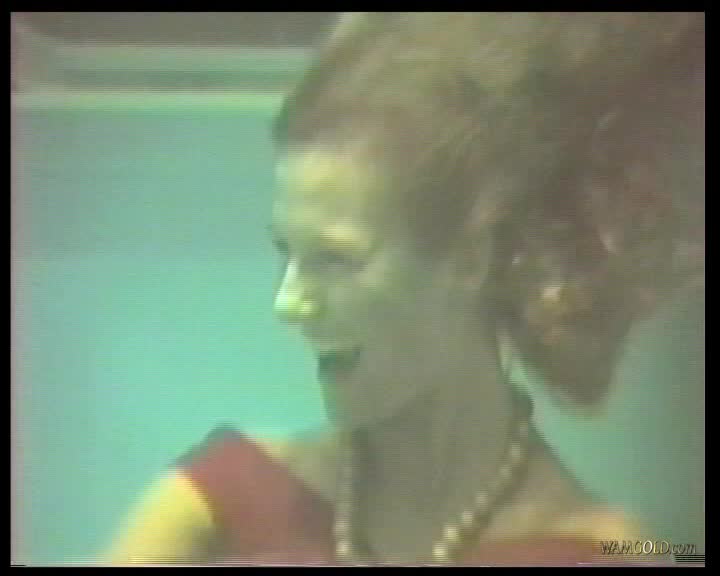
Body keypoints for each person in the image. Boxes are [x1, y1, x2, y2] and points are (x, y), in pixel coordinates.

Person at [104, 13, 704, 566]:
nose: (287, 304)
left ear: (469, 259)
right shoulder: (217, 505)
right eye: (287, 252)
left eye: (336, 259)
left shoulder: (611, 550)